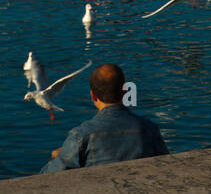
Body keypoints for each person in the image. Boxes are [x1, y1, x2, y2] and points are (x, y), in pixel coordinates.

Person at [40, 64, 168, 172]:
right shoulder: (150, 129)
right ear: (125, 93)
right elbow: (166, 165)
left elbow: (46, 177)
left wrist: (56, 158)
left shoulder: (81, 136)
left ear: (93, 96)